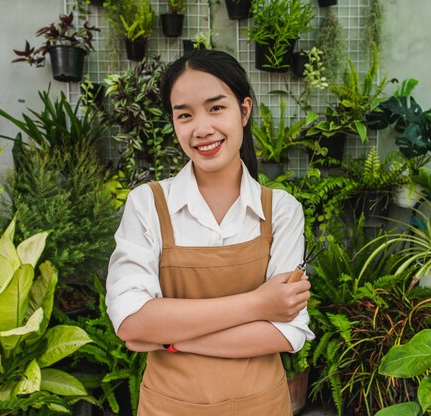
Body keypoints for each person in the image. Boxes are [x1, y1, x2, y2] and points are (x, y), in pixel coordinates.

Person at [105, 49, 314, 415]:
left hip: (261, 406)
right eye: (184, 114)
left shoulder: (280, 211)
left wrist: (170, 340)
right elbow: (132, 321)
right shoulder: (147, 205)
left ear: (244, 111)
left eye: (216, 108)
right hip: (169, 407)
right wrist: (257, 304)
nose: (201, 128)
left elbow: (285, 333)